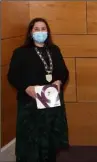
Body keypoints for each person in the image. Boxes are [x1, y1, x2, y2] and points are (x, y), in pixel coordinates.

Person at [7, 17, 69, 162]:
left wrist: (59, 81)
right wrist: (26, 88)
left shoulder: (54, 50)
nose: (40, 32)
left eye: (43, 29)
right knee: (31, 148)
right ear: (30, 32)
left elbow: (64, 72)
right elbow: (12, 76)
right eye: (36, 29)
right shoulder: (21, 52)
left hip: (50, 105)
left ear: (47, 32)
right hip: (30, 106)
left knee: (50, 144)